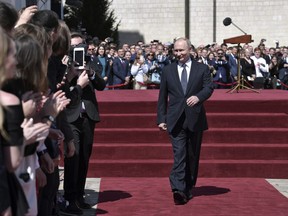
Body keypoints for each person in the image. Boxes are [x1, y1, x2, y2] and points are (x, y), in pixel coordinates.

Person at [157, 37, 213, 205]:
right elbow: (162, 97)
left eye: (182, 50)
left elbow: (209, 88)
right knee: (179, 154)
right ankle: (177, 188)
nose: (179, 53)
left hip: (195, 118)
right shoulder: (168, 70)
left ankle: (188, 188)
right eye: (176, 50)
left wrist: (198, 97)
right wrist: (161, 118)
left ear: (190, 50)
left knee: (192, 155)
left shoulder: (202, 69)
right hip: (175, 119)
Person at [61, 32, 106, 215]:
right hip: (70, 116)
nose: (78, 50)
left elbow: (101, 85)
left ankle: (79, 195)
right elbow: (60, 86)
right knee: (74, 155)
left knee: (84, 157)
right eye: (73, 47)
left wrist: (90, 72)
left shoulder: (91, 61)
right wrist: (70, 72)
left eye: (81, 46)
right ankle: (70, 198)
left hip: (88, 116)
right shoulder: (63, 63)